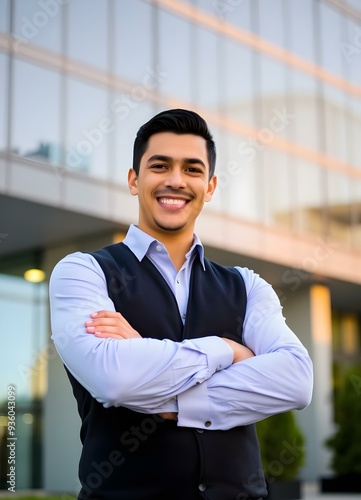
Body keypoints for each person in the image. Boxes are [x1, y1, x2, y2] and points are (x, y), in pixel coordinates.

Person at [49, 108, 313, 500]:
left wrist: (164, 387)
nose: (176, 180)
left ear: (210, 186)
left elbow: (296, 381)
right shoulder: (83, 272)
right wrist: (229, 350)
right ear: (134, 180)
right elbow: (114, 380)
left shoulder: (247, 285)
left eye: (192, 169)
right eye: (160, 166)